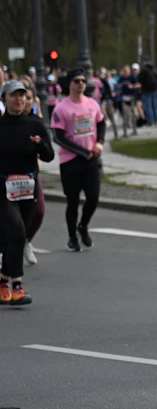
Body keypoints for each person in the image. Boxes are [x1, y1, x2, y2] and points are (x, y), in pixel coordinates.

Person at [0, 80, 54, 306]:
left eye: (22, 95)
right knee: (18, 232)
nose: (18, 99)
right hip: (3, 187)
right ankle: (18, 286)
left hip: (28, 188)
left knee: (13, 237)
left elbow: (49, 156)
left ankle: (2, 281)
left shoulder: (35, 125)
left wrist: (40, 145)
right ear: (4, 100)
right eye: (13, 95)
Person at [50, 68, 105, 253]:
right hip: (71, 162)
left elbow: (101, 122)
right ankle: (72, 238)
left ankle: (83, 226)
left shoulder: (92, 104)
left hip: (92, 159)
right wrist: (81, 152)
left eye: (83, 80)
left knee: (93, 198)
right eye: (77, 81)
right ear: (70, 84)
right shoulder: (61, 108)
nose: (81, 84)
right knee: (72, 201)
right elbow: (58, 137)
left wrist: (100, 143)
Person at [19, 85, 46, 266]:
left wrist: (40, 145)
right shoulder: (7, 120)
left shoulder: (36, 123)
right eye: (21, 97)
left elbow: (48, 152)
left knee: (38, 211)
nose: (25, 101)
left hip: (31, 175)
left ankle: (26, 241)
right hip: (8, 176)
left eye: (28, 98)